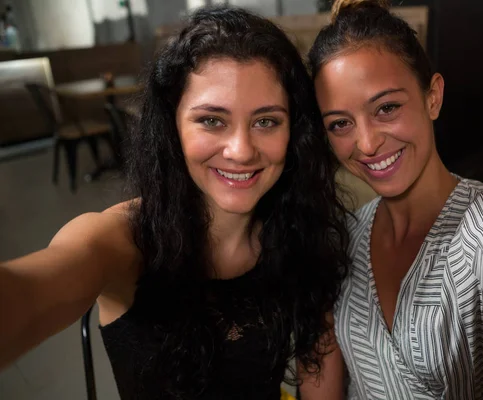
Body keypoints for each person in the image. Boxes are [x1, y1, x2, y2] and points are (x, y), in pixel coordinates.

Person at [0, 7, 350, 399]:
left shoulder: (301, 230)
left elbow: (319, 373)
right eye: (212, 120)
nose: (240, 150)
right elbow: (36, 289)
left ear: (293, 131)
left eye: (266, 121)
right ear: (173, 126)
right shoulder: (125, 238)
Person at [301, 0, 483, 399]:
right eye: (340, 123)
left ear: (433, 97)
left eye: (387, 108)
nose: (367, 143)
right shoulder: (346, 237)